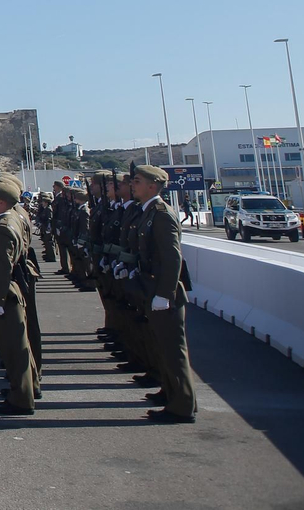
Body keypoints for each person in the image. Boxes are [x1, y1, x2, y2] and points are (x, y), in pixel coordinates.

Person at [131, 164, 197, 423]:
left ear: (152, 186)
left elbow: (172, 258)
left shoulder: (161, 213)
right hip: (153, 287)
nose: (132, 184)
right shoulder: (148, 212)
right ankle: (171, 394)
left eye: (137, 181)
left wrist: (165, 293)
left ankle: (182, 406)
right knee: (163, 348)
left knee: (173, 350)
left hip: (163, 291)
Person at [0, 175, 35, 415]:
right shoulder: (7, 220)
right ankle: (22, 391)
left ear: (1, 202)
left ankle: (21, 398)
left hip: (5, 292)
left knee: (14, 349)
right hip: (6, 290)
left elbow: (3, 266)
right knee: (17, 346)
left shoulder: (3, 227)